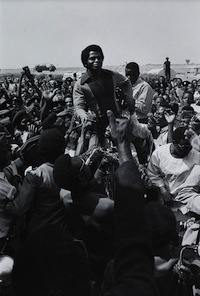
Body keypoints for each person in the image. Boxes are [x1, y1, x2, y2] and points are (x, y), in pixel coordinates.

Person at [12, 110, 159, 296]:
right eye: (83, 164)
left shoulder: (65, 195)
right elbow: (131, 215)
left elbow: (83, 190)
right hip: (103, 257)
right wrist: (123, 145)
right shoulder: (105, 207)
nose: (86, 162)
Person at [73, 44, 133, 146]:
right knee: (92, 154)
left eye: (99, 58)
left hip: (117, 121)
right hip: (96, 126)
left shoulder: (112, 75)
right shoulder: (80, 84)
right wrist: (85, 116)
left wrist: (129, 97)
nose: (97, 61)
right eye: (92, 58)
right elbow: (78, 107)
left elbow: (126, 82)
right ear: (85, 63)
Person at [147, 127, 200, 211]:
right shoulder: (160, 153)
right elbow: (153, 174)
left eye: (189, 148)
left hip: (186, 202)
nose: (186, 151)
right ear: (174, 142)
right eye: (182, 147)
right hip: (165, 198)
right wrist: (162, 189)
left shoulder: (196, 155)